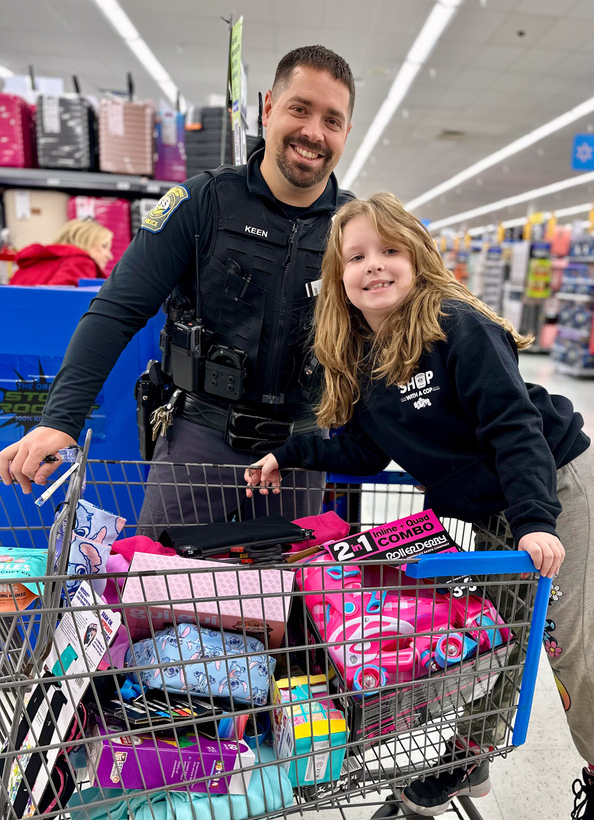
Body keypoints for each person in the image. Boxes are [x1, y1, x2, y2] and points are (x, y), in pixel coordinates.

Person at [245, 192, 594, 820]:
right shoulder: (363, 355)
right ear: (338, 276)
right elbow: (360, 451)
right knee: (499, 638)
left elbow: (514, 428)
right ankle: (473, 754)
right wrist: (287, 454)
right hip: (507, 509)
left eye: (389, 251)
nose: (374, 266)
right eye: (357, 257)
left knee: (563, 636)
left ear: (417, 258)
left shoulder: (454, 326)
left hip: (557, 488)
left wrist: (533, 521)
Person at [0, 45, 355, 530]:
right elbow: (116, 310)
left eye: (332, 120)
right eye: (300, 109)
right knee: (157, 596)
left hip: (297, 455)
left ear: (346, 132)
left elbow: (398, 338)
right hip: (199, 445)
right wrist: (60, 420)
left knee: (278, 602)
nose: (314, 132)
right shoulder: (200, 203)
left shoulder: (356, 228)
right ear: (269, 107)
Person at [9, 218, 113, 286]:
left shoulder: (34, 261)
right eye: (104, 246)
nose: (110, 256)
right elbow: (61, 301)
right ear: (85, 242)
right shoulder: (81, 262)